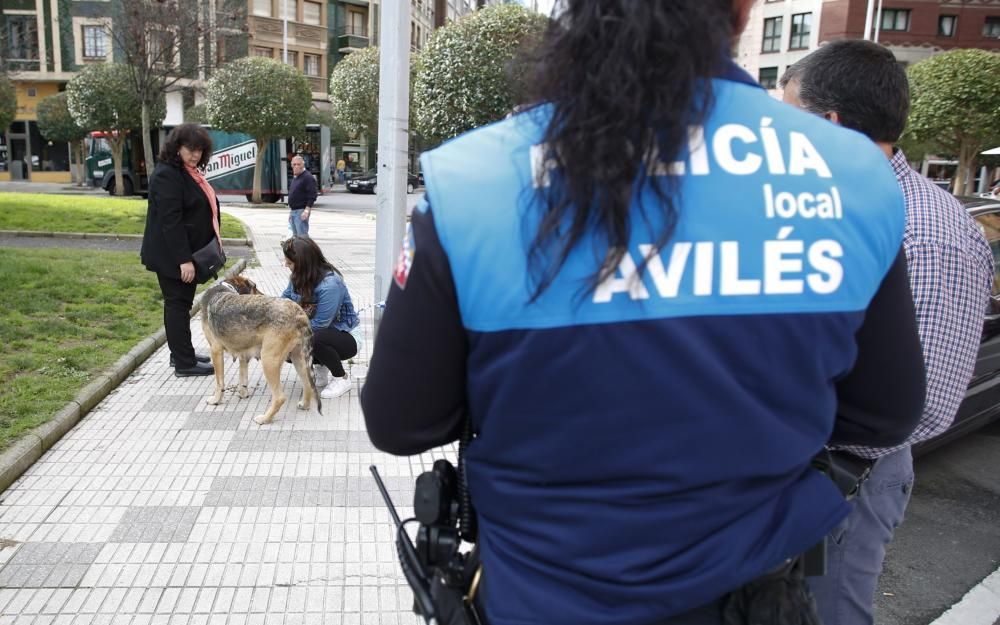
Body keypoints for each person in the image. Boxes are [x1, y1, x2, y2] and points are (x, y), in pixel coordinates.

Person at [361, 1, 927, 623]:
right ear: (741, 9)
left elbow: (400, 422)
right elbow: (883, 415)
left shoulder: (473, 179)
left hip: (536, 598)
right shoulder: (851, 175)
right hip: (750, 598)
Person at [779, 40, 993, 625]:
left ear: (830, 125)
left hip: (849, 475)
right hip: (798, 464)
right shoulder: (818, 207)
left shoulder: (928, 232)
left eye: (786, 116)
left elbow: (922, 406)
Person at [140, 123, 222, 377]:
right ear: (177, 147)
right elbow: (171, 222)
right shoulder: (168, 174)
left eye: (200, 150)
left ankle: (181, 354)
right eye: (190, 149)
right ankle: (184, 363)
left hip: (184, 254)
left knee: (181, 304)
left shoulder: (187, 172)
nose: (195, 155)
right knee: (177, 305)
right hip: (173, 257)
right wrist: (184, 260)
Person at [280, 236, 359, 400]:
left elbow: (321, 324)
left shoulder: (330, 285)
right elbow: (283, 301)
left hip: (345, 336)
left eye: (289, 262)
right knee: (286, 346)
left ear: (303, 263)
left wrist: (289, 334)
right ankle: (321, 368)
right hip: (316, 331)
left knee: (312, 338)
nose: (285, 264)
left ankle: (341, 378)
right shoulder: (297, 277)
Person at [288, 155, 317, 238]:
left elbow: (312, 195)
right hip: (294, 211)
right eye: (294, 164)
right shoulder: (296, 177)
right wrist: (291, 212)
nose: (296, 166)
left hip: (301, 211)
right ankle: (297, 251)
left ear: (303, 165)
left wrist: (307, 210)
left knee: (302, 237)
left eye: (298, 164)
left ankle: (306, 251)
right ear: (291, 165)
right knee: (295, 237)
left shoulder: (307, 177)